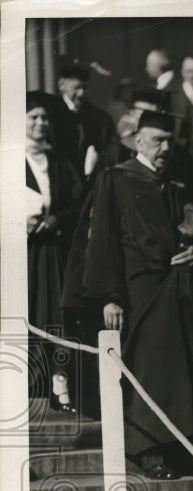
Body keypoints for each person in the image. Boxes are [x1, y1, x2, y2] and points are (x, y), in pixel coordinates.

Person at [81, 109, 193, 479]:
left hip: (178, 289)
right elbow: (103, 240)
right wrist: (109, 295)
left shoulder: (177, 183)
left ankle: (180, 445)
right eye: (157, 140)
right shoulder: (116, 178)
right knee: (150, 370)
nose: (165, 148)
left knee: (180, 371)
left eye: (169, 141)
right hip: (138, 290)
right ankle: (150, 451)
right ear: (137, 140)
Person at [26, 91, 84, 411]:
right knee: (27, 311)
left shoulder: (59, 165)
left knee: (55, 314)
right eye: (33, 117)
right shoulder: (10, 161)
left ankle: (59, 384)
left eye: (44, 118)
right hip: (21, 256)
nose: (40, 123)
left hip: (52, 253)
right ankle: (28, 385)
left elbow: (78, 204)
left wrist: (55, 219)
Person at [49, 63, 116, 184]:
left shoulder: (97, 117)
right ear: (61, 85)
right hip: (59, 178)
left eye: (84, 88)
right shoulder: (51, 113)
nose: (81, 93)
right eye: (76, 88)